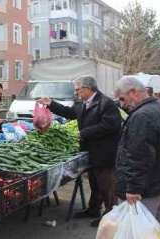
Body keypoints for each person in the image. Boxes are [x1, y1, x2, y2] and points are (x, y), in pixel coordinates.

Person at [37, 75, 122, 227]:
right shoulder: (83, 103)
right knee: (95, 183)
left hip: (105, 152)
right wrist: (51, 104)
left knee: (107, 187)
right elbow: (70, 113)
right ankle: (93, 209)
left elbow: (110, 126)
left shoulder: (106, 103)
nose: (76, 93)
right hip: (91, 151)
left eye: (78, 90)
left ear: (88, 88)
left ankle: (111, 219)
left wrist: (83, 133)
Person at [114, 76, 160, 235]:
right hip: (159, 181)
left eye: (122, 98)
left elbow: (139, 156)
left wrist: (133, 188)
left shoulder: (142, 116)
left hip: (146, 187)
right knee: (159, 226)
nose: (122, 104)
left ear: (133, 92)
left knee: (144, 230)